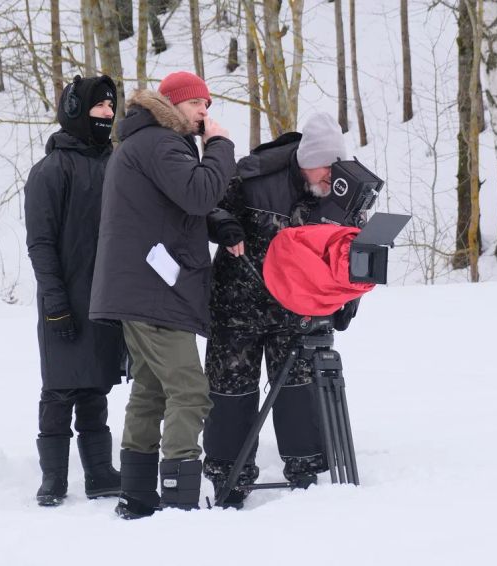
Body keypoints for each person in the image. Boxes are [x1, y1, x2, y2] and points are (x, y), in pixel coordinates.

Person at [89, 71, 236, 519]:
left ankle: (137, 496)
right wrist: (220, 147)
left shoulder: (141, 144)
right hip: (156, 291)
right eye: (197, 105)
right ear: (173, 105)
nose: (205, 113)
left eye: (208, 107)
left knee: (151, 390)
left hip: (140, 288)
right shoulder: (163, 143)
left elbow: (178, 208)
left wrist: (220, 224)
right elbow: (198, 193)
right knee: (189, 390)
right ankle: (177, 495)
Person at [202, 112, 358, 508]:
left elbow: (353, 252)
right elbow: (209, 205)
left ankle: (305, 471)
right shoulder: (255, 175)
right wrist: (224, 225)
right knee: (230, 388)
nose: (330, 176)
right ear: (306, 160)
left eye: (336, 168)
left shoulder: (342, 191)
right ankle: (227, 475)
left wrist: (345, 301)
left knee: (298, 389)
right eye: (325, 167)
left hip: (296, 308)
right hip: (237, 302)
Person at [24, 74, 126, 507]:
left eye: (110, 107)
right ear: (75, 110)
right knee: (60, 388)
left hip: (105, 297)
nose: (107, 114)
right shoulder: (49, 171)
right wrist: (55, 304)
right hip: (65, 298)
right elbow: (40, 243)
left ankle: (100, 474)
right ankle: (54, 479)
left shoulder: (117, 164)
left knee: (95, 387)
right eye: (100, 107)